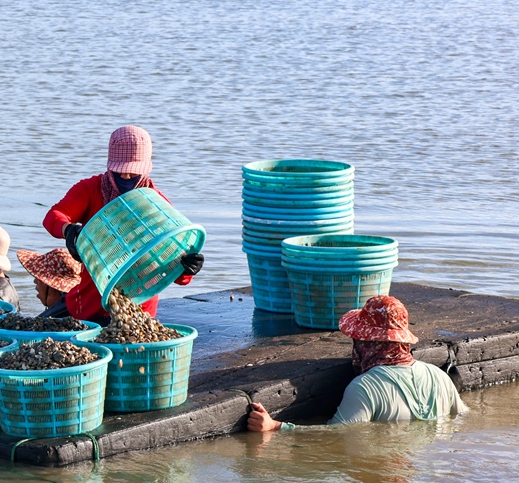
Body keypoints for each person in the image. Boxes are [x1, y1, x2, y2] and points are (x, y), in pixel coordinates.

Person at [42, 125, 203, 324]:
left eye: (133, 173)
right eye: (120, 172)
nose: (126, 177)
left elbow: (174, 272)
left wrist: (187, 269)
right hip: (89, 306)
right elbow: (53, 216)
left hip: (138, 310)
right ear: (110, 166)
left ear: (145, 169)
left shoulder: (158, 207)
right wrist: (68, 230)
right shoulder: (91, 190)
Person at [247, 295, 467, 432]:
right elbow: (464, 417)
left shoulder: (365, 388)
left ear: (364, 343)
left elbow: (335, 436)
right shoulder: (438, 376)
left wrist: (276, 427)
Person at [16, 248, 83, 318]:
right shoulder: (78, 306)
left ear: (53, 287)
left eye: (40, 278)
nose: (35, 281)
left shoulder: (52, 319)